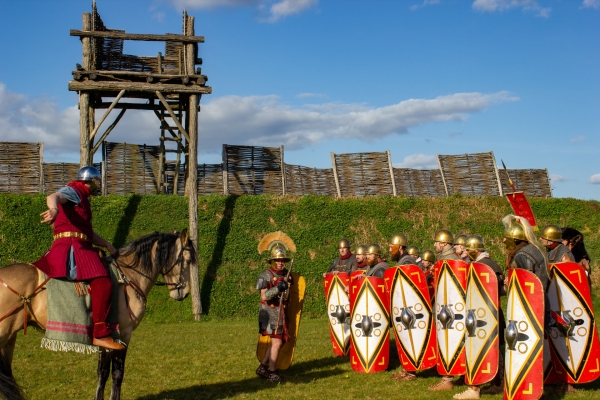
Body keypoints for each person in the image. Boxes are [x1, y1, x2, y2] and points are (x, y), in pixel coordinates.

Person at [33, 166, 124, 351]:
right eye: (98, 182)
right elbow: (53, 197)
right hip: (73, 248)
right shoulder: (75, 190)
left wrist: (106, 244)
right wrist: (53, 210)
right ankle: (100, 334)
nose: (98, 186)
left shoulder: (82, 199)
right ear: (91, 181)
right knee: (103, 283)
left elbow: (86, 232)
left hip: (80, 243)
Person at [454, 235, 507, 399]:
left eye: (469, 250)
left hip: (486, 314)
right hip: (488, 313)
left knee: (483, 349)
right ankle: (498, 384)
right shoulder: (487, 264)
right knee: (493, 349)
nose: (467, 253)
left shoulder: (484, 265)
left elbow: (497, 289)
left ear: (475, 251)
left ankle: (476, 389)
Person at [256, 243, 294, 382]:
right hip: (269, 312)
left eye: (283, 260)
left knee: (278, 342)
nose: (280, 263)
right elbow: (264, 296)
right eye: (278, 260)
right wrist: (278, 288)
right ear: (272, 260)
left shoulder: (287, 275)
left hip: (281, 312)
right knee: (277, 342)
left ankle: (263, 367)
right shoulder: (265, 275)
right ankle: (272, 372)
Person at [429, 229, 462, 391]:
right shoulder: (446, 259)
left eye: (436, 242)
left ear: (443, 243)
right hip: (445, 307)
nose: (434, 245)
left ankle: (447, 379)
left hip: (450, 310)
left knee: (449, 341)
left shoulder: (451, 260)